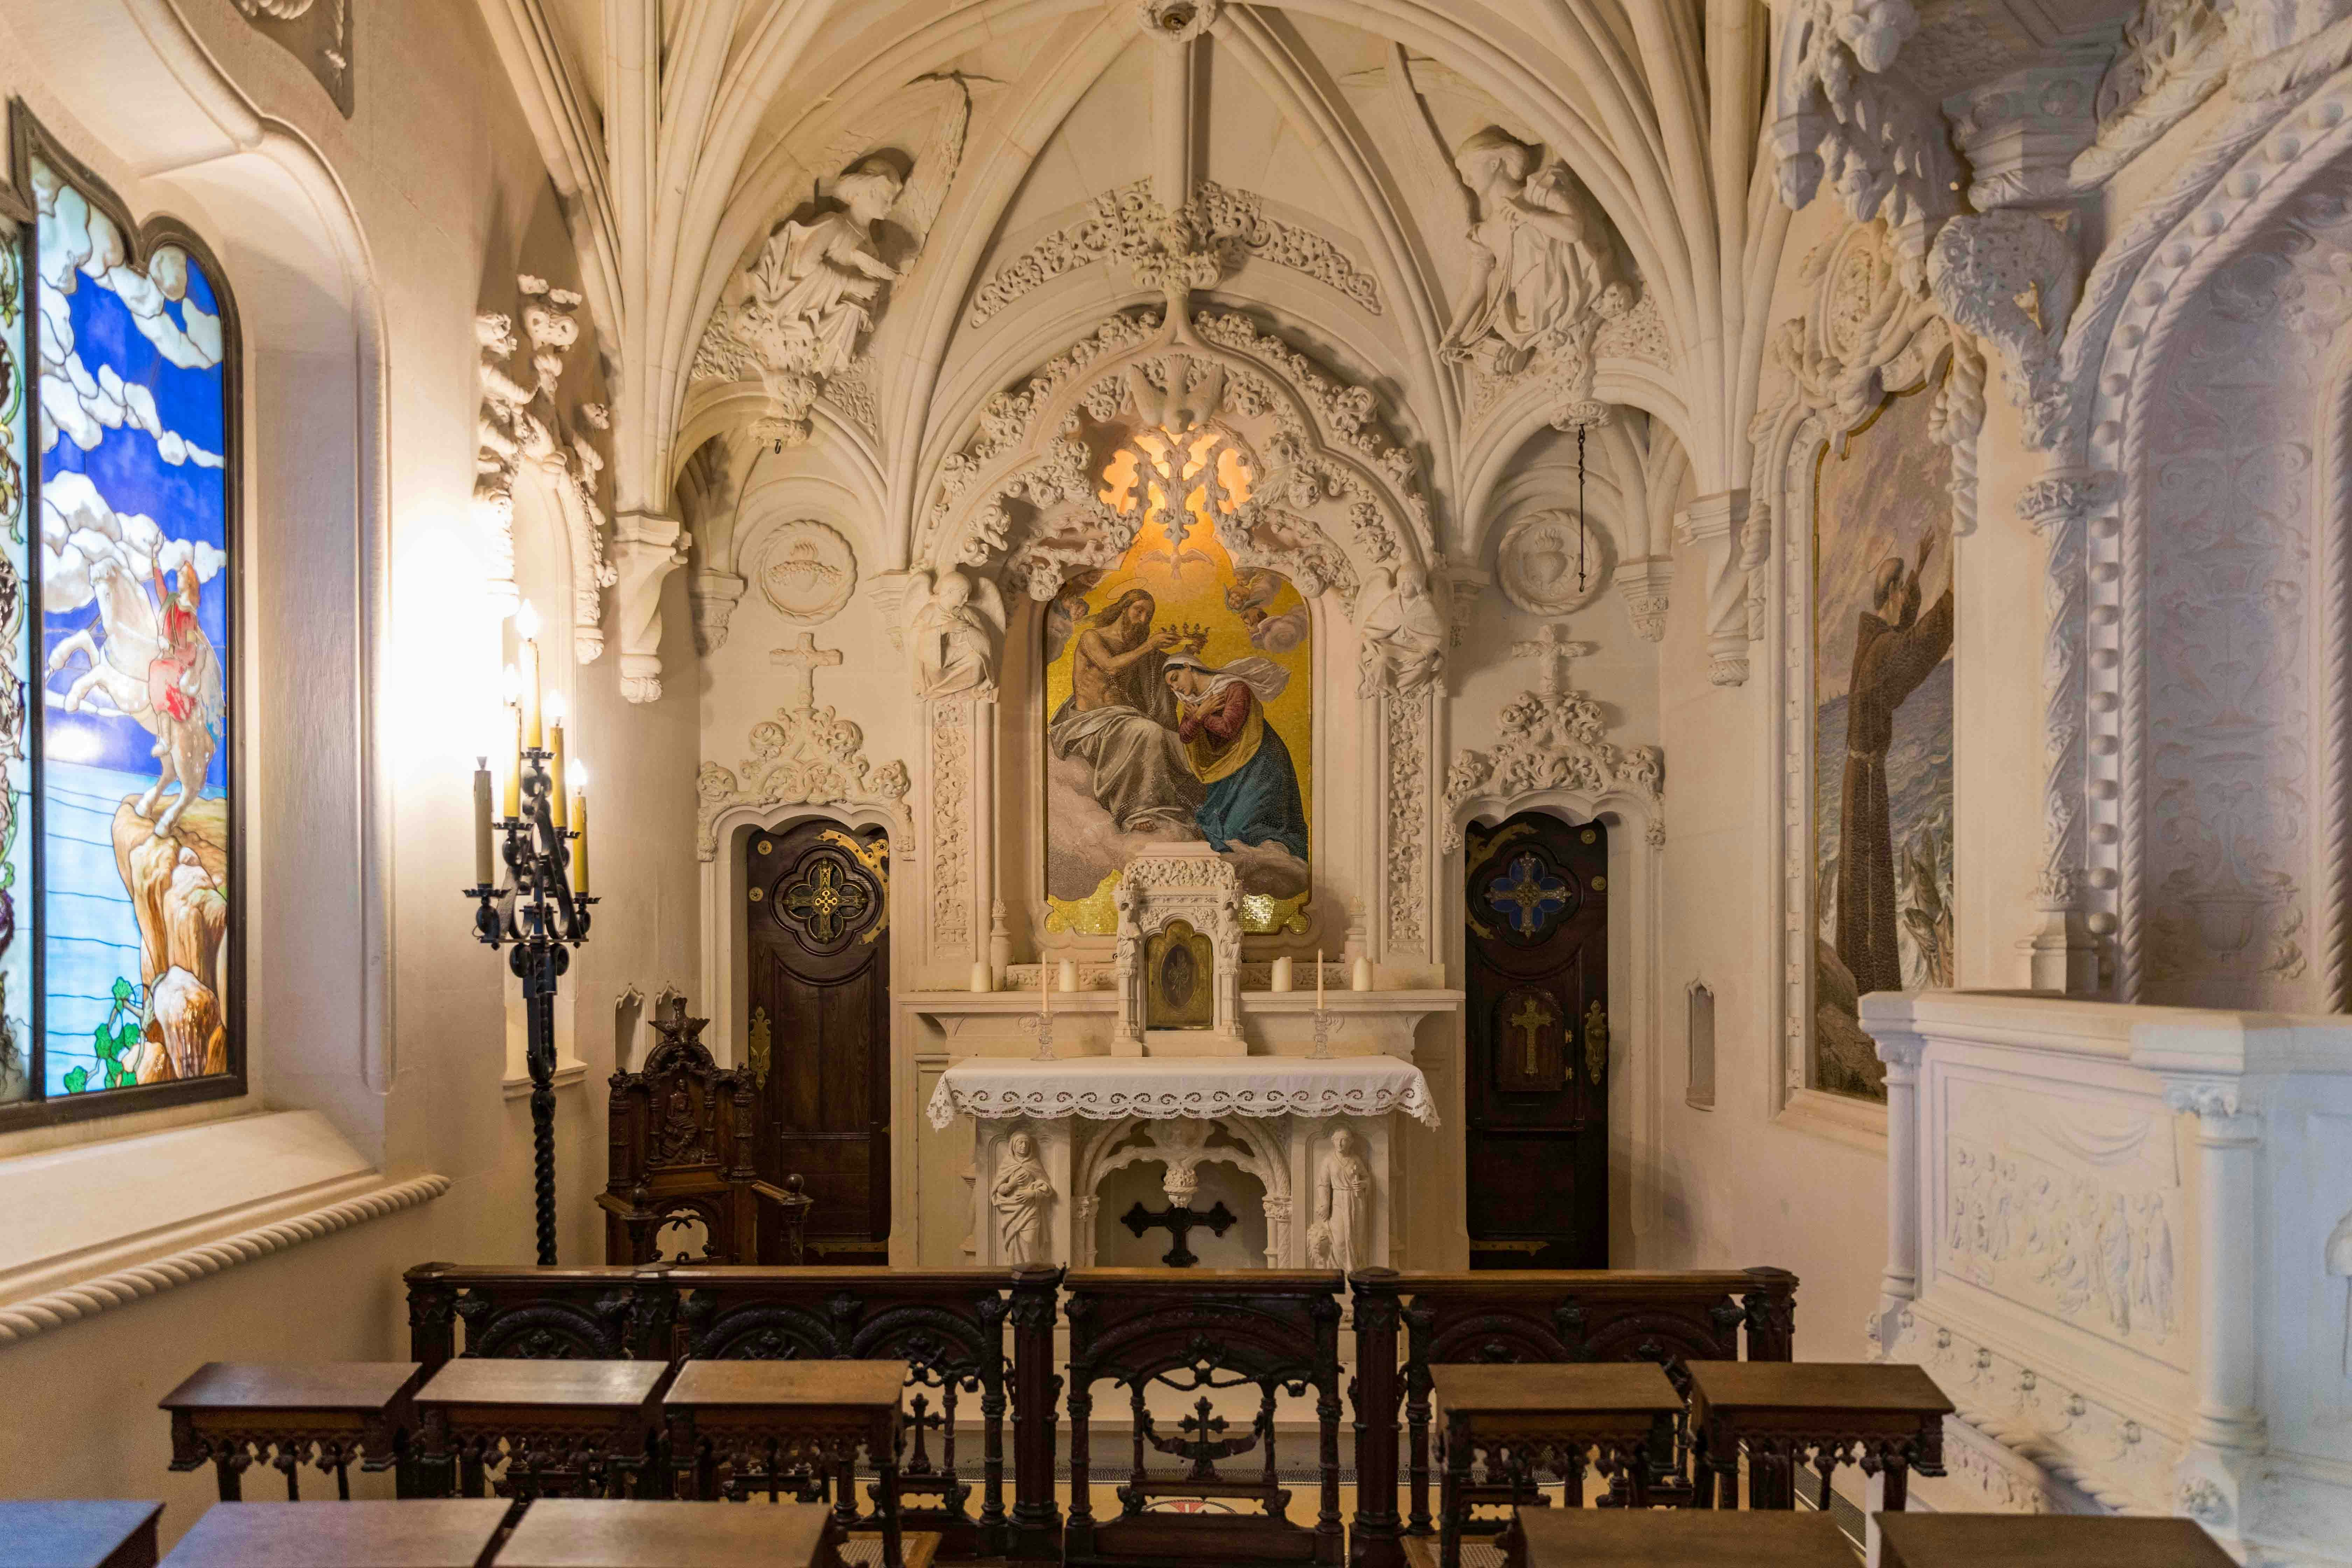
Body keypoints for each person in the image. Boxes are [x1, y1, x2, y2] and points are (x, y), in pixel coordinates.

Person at [1835, 532, 1953, 996]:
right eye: (1905, 587)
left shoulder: (1872, 636)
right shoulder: (1881, 651)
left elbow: (1901, 628)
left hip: (1858, 775)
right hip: (1865, 781)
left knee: (1868, 882)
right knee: (1870, 884)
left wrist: (1921, 566)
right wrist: (1950, 602)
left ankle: (1863, 973)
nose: (1908, 596)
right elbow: (1916, 646)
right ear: (1894, 594)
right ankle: (1872, 980)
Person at [1046, 588, 1204, 834]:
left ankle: (1192, 809)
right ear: (1123, 608)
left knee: (1179, 745)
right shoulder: (1092, 637)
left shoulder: (1137, 650)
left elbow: (1159, 677)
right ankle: (1137, 811)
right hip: (1089, 723)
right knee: (1147, 732)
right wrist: (1150, 645)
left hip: (1123, 719)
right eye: (1138, 611)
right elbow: (1110, 667)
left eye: (1148, 617)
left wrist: (1189, 650)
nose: (1142, 620)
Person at [1162, 651, 1308, 861]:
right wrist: (1200, 714)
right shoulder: (1195, 702)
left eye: (1175, 679)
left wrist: (1201, 716)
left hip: (1261, 762)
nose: (1175, 688)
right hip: (1229, 769)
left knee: (1238, 832)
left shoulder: (1235, 688)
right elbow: (1186, 735)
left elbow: (1228, 728)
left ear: (1188, 666)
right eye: (1170, 687)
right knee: (1217, 828)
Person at [992, 1131, 1054, 1267]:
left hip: (1030, 1209)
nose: (1024, 1146)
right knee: (1014, 1243)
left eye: (1026, 1143)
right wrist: (1010, 1185)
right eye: (1021, 1143)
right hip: (1011, 1211)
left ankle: (1031, 1272)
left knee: (1030, 1240)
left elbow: (1047, 1187)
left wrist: (1033, 1194)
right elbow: (998, 1190)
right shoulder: (1007, 1164)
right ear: (1013, 1146)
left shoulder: (1034, 1163)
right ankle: (1016, 1272)